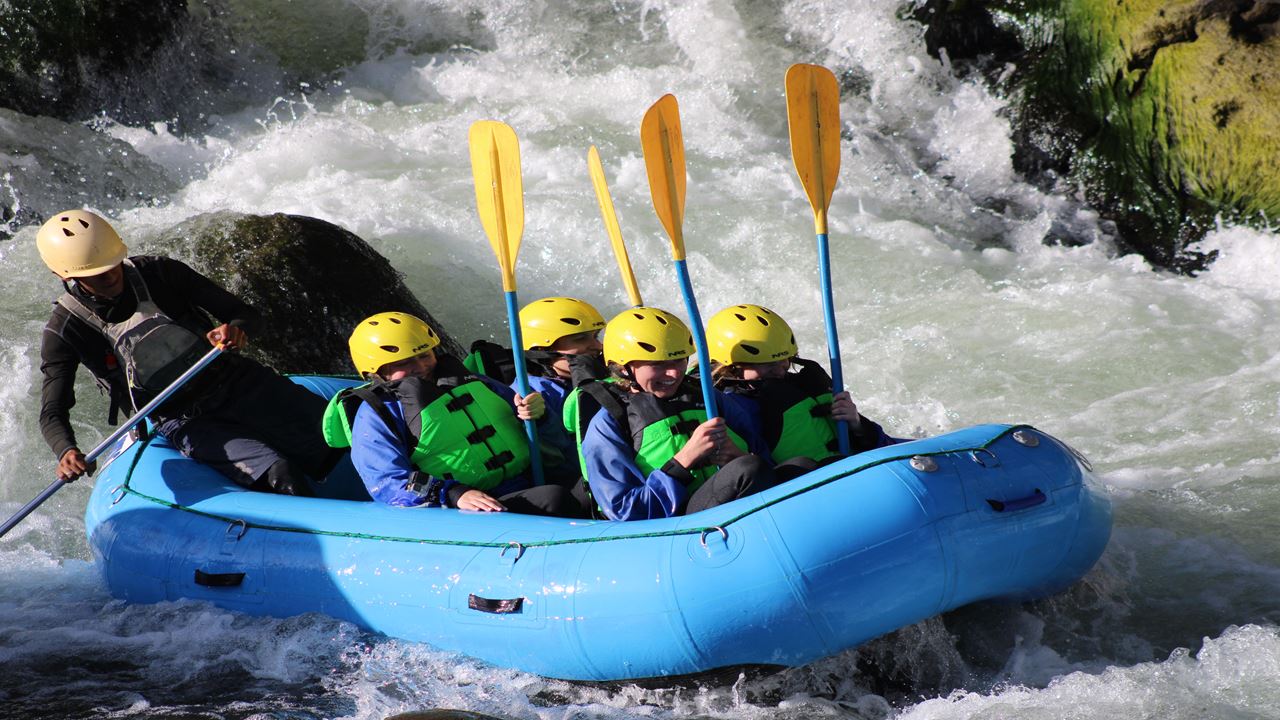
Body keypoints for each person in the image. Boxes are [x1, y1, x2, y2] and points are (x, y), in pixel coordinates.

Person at [36, 209, 334, 495]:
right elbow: (52, 411)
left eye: (113, 263)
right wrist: (66, 450)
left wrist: (235, 330)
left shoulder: (160, 272)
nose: (110, 275)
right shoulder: (65, 329)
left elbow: (246, 315)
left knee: (340, 436)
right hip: (185, 419)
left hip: (238, 381)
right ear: (63, 275)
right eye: (96, 272)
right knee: (279, 472)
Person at [322, 311, 582, 516]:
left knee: (585, 489)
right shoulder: (377, 413)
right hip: (459, 509)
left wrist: (539, 416)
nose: (420, 367)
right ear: (374, 370)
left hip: (522, 483)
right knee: (553, 499)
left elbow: (549, 439)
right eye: (404, 363)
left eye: (425, 355)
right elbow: (388, 481)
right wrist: (453, 493)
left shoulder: (474, 382)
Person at [578, 307, 785, 521]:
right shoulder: (609, 423)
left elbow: (764, 461)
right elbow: (624, 510)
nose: (674, 373)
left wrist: (737, 455)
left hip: (727, 504)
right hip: (674, 526)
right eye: (658, 364)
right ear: (623, 368)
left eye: (679, 360)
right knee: (746, 469)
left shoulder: (710, 398)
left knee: (798, 466)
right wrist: (683, 461)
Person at [705, 304, 896, 464]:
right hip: (794, 488)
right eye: (769, 365)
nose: (781, 370)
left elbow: (882, 445)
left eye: (785, 361)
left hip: (845, 471)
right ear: (730, 368)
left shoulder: (803, 385)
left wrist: (857, 423)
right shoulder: (730, 407)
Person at [517, 297, 608, 474]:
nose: (598, 346)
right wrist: (541, 419)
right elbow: (562, 456)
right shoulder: (533, 394)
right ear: (541, 350)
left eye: (595, 336)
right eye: (580, 338)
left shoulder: (597, 372)